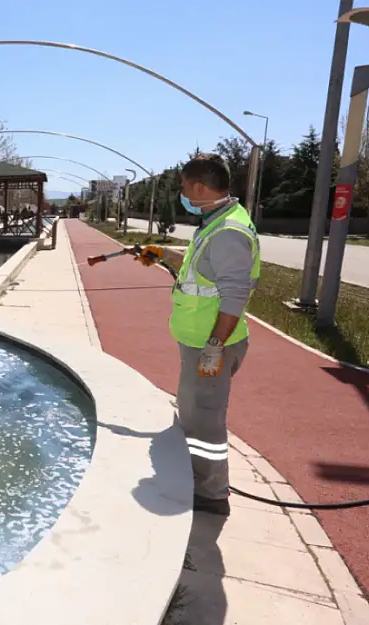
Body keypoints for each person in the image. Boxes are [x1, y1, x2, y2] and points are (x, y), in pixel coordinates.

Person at [136, 153, 261, 517]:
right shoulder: (215, 223)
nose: (182, 195)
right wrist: (161, 254)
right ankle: (200, 478)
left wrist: (214, 347)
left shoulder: (228, 233)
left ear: (198, 187)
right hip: (199, 342)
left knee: (205, 421)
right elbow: (197, 269)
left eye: (184, 188)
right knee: (194, 411)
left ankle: (211, 492)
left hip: (211, 346)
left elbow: (235, 295)